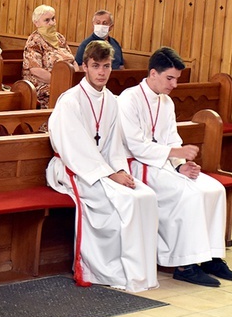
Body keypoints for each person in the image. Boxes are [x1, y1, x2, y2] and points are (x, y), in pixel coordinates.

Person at [118, 47, 232, 287]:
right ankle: (185, 264)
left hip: (164, 163)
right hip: (139, 166)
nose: (174, 85)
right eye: (169, 78)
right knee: (189, 194)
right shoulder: (128, 99)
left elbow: (173, 138)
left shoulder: (166, 102)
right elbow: (135, 145)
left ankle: (212, 257)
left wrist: (181, 165)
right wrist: (175, 154)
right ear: (153, 73)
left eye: (176, 79)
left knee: (213, 189)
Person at [46, 40, 159, 292]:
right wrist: (109, 175)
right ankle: (103, 270)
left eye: (106, 66)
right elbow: (74, 149)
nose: (101, 72)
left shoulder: (111, 100)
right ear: (84, 67)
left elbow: (115, 145)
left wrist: (119, 170)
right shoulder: (70, 101)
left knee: (146, 197)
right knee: (113, 205)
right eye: (95, 66)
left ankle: (139, 272)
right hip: (73, 169)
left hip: (104, 169)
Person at [22, 4, 77, 108]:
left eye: (53, 18)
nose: (52, 23)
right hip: (42, 84)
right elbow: (35, 70)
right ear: (36, 23)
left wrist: (74, 79)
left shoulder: (60, 38)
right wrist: (60, 81)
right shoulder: (34, 41)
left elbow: (72, 61)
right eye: (47, 20)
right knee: (63, 95)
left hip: (65, 81)